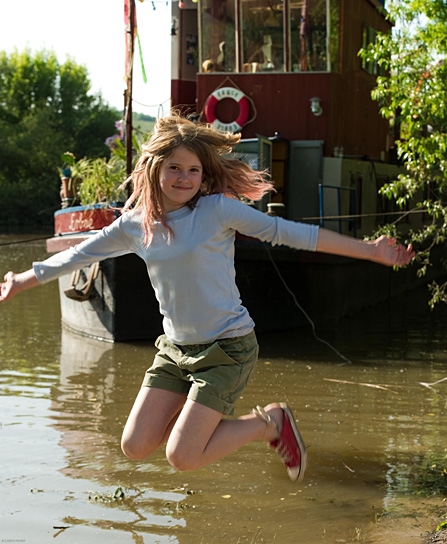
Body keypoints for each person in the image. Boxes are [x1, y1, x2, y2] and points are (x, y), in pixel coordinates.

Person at [0, 115, 414, 483]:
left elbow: (292, 234)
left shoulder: (216, 210)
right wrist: (20, 280)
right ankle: (197, 422)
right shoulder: (134, 226)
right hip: (175, 350)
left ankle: (270, 423)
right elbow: (78, 254)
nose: (184, 178)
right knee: (134, 445)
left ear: (203, 175)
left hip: (227, 349)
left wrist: (370, 250)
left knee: (182, 457)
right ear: (154, 169)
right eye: (174, 168)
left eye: (193, 170)